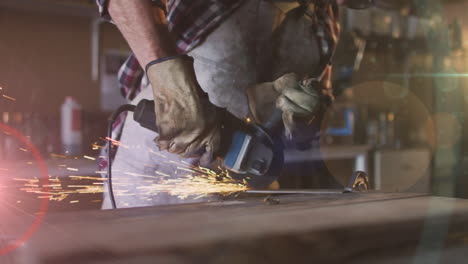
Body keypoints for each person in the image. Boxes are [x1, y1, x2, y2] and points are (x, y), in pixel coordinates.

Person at [96, 0, 344, 209]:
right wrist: (166, 74)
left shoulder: (326, 15)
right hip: (153, 174)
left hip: (247, 187)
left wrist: (300, 112)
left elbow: (313, 118)